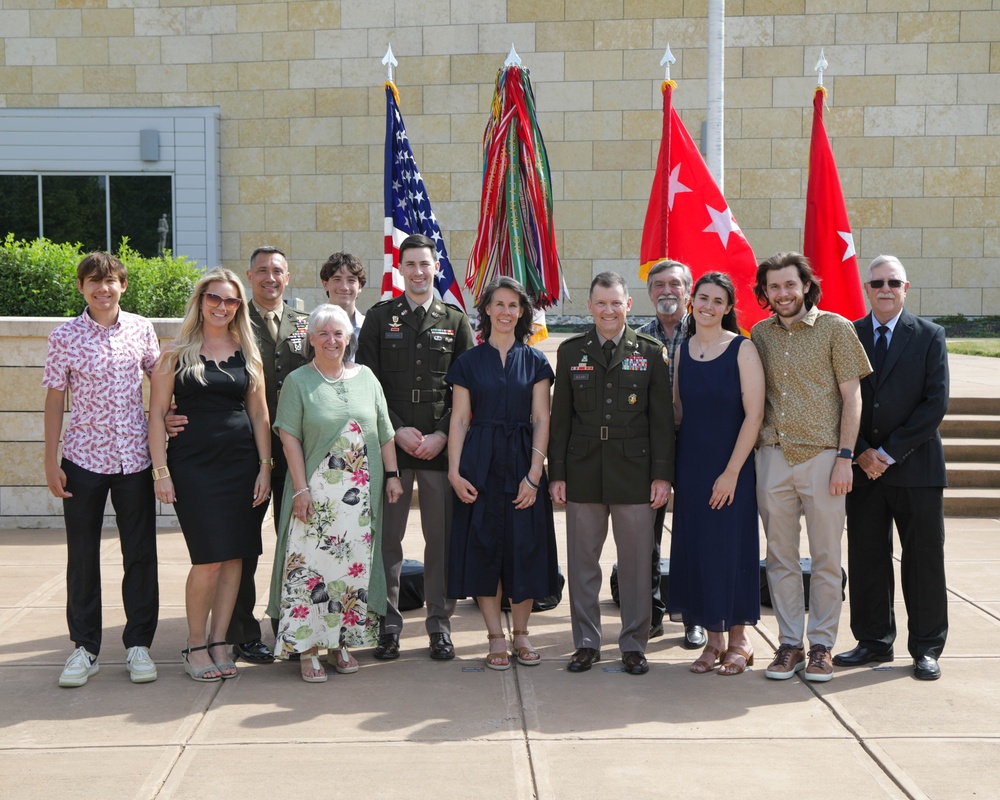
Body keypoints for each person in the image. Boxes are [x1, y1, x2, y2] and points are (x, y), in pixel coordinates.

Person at [165, 246, 310, 664]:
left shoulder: (304, 324)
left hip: (287, 449)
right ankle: (241, 633)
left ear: (287, 275)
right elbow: (165, 402)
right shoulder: (235, 317)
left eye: (277, 270)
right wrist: (170, 423)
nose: (270, 277)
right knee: (232, 551)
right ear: (250, 276)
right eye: (262, 270)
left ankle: (292, 625)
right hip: (232, 454)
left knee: (286, 545)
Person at [751, 252, 871, 682]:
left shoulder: (836, 328)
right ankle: (789, 644)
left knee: (824, 557)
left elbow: (852, 397)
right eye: (774, 287)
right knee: (779, 557)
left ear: (805, 286)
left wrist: (844, 457)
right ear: (764, 293)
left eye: (789, 285)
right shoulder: (759, 334)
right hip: (772, 456)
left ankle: (821, 645)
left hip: (823, 458)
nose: (782, 293)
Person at [267, 304, 403, 682]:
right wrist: (299, 489)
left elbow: (385, 431)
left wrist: (392, 475)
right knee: (310, 571)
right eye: (323, 334)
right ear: (310, 339)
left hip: (359, 505)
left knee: (348, 572)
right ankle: (307, 648)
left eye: (338, 333)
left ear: (348, 338)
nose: (331, 340)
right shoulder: (298, 381)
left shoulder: (367, 377)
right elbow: (289, 438)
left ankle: (340, 642)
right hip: (316, 498)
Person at [43, 252, 160, 688]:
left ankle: (138, 645)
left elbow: (159, 382)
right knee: (83, 556)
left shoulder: (141, 329)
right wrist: (50, 461)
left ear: (123, 286)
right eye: (93, 281)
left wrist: (169, 419)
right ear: (81, 288)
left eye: (110, 281)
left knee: (140, 554)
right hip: (82, 461)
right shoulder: (64, 336)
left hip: (134, 460)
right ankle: (85, 648)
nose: (102, 288)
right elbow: (55, 400)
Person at [149, 268, 272, 682]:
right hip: (193, 468)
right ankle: (195, 643)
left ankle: (220, 641)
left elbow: (259, 413)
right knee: (207, 559)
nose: (223, 306)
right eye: (215, 298)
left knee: (234, 555)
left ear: (239, 306)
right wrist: (160, 472)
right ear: (200, 301)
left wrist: (265, 468)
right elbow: (155, 417)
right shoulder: (174, 353)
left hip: (241, 466)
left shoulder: (247, 351)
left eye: (232, 300)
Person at [356, 233, 475, 661]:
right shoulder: (379, 317)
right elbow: (367, 385)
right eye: (411, 265)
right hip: (393, 446)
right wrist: (399, 429)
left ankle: (440, 625)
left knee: (439, 540)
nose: (419, 272)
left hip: (442, 450)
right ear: (399, 269)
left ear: (436, 267)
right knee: (388, 541)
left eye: (426, 264)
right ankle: (387, 625)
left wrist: (443, 433)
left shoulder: (456, 321)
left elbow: (466, 388)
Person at [549, 271, 674, 676]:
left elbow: (661, 422)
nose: (608, 310)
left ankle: (634, 643)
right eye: (601, 303)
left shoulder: (651, 352)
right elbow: (560, 419)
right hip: (583, 470)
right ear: (589, 306)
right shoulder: (570, 352)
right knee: (583, 564)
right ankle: (586, 642)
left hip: (635, 472)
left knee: (637, 563)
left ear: (628, 306)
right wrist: (558, 473)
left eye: (615, 303)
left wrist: (662, 476)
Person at [834, 255, 949, 681]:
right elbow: (839, 400)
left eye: (893, 282)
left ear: (906, 287)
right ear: (867, 288)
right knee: (867, 557)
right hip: (862, 470)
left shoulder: (930, 335)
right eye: (877, 282)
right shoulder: (849, 334)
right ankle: (873, 641)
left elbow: (934, 403)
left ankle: (925, 647)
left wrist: (888, 452)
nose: (885, 288)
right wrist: (862, 451)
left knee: (922, 560)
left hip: (915, 468)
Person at [446, 277, 559, 670]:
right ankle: (495, 636)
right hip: (479, 462)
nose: (507, 312)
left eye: (514, 305)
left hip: (521, 459)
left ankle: (522, 634)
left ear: (523, 312)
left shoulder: (537, 361)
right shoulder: (468, 362)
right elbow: (459, 420)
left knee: (524, 548)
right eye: (500, 304)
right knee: (484, 547)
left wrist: (534, 473)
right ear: (487, 310)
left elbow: (543, 419)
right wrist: (454, 472)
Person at [668, 272, 765, 676]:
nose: (708, 305)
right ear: (692, 301)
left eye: (718, 300)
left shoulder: (742, 349)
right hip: (691, 468)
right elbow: (677, 412)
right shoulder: (681, 351)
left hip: (732, 469)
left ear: (728, 308)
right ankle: (713, 641)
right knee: (698, 551)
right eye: (702, 297)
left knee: (731, 550)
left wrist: (730, 472)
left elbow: (755, 415)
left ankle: (740, 641)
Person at [636, 259, 706, 650]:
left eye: (675, 284)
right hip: (651, 449)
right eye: (658, 284)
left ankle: (694, 617)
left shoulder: (709, 333)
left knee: (693, 533)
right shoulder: (638, 340)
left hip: (698, 444)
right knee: (647, 536)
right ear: (648, 293)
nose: (667, 291)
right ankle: (650, 614)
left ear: (688, 291)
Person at [321, 251, 366, 355]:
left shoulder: (369, 327)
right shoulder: (312, 326)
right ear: (325, 284)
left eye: (351, 280)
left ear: (360, 286)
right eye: (337, 280)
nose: (344, 287)